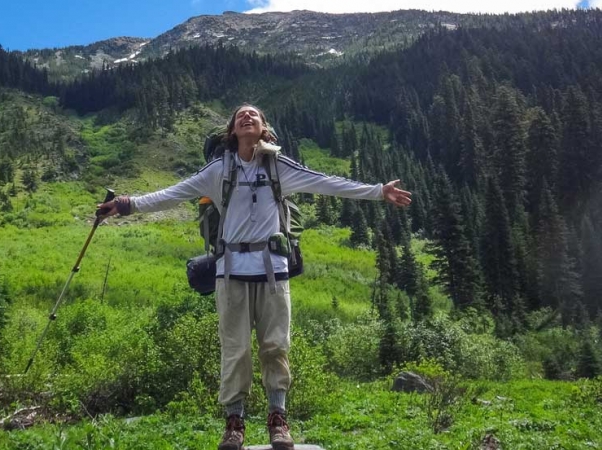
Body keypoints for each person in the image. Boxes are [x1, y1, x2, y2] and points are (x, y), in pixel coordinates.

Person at [98, 104, 411, 450]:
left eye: (254, 115)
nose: (247, 118)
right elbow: (172, 194)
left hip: (273, 272)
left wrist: (377, 191)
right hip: (230, 273)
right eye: (240, 116)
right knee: (235, 350)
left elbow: (325, 183)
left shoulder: (278, 166)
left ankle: (278, 421)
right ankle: (235, 424)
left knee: (276, 347)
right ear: (232, 131)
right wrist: (126, 205)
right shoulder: (218, 170)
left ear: (264, 128)